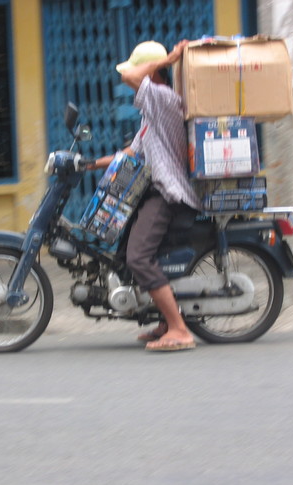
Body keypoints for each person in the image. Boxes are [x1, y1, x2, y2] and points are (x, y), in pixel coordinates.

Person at [90, 40, 200, 352]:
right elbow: (131, 151)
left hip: (166, 193)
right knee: (126, 254)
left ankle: (180, 330)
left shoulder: (161, 97)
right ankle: (167, 320)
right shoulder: (153, 107)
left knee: (139, 257)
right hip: (155, 190)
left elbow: (130, 77)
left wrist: (168, 58)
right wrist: (87, 164)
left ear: (152, 72)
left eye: (142, 68)